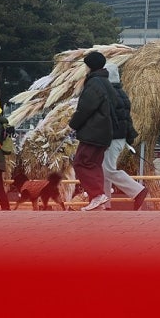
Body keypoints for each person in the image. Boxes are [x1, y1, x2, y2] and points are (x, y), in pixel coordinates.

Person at [68, 51, 116, 211]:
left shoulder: (94, 83)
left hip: (93, 132)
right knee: (94, 164)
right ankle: (99, 197)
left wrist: (72, 125)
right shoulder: (106, 83)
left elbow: (85, 108)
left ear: (89, 66)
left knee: (81, 163)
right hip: (104, 132)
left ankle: (97, 195)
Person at [103, 64, 148, 210]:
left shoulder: (109, 94)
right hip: (119, 137)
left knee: (107, 170)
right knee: (103, 169)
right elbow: (126, 119)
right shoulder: (121, 93)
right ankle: (105, 202)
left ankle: (137, 190)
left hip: (112, 137)